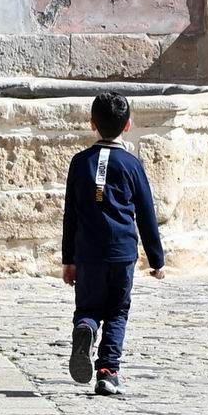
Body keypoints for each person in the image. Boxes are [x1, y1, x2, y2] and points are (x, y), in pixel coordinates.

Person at [59, 93, 165, 398]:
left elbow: (71, 214)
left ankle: (86, 327)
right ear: (128, 125)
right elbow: (146, 213)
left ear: (92, 124)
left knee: (88, 307)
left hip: (88, 253)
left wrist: (69, 260)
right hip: (121, 253)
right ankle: (107, 371)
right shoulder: (132, 165)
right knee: (118, 311)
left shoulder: (80, 163)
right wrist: (157, 259)